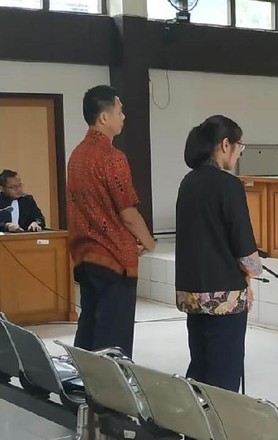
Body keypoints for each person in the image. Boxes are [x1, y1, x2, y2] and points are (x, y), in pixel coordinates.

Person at [175, 115, 263, 392]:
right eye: (239, 146)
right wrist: (254, 272)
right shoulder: (228, 185)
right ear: (226, 144)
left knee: (199, 367)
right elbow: (243, 245)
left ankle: (195, 418)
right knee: (224, 375)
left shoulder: (188, 182)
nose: (239, 153)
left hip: (192, 291)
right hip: (224, 295)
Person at [67, 85, 155, 358]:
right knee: (113, 337)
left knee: (89, 325)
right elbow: (128, 213)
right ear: (104, 117)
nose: (123, 116)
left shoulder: (77, 155)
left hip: (85, 256)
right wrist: (149, 242)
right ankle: (111, 385)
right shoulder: (112, 157)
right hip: (113, 257)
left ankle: (82, 378)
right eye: (119, 111)